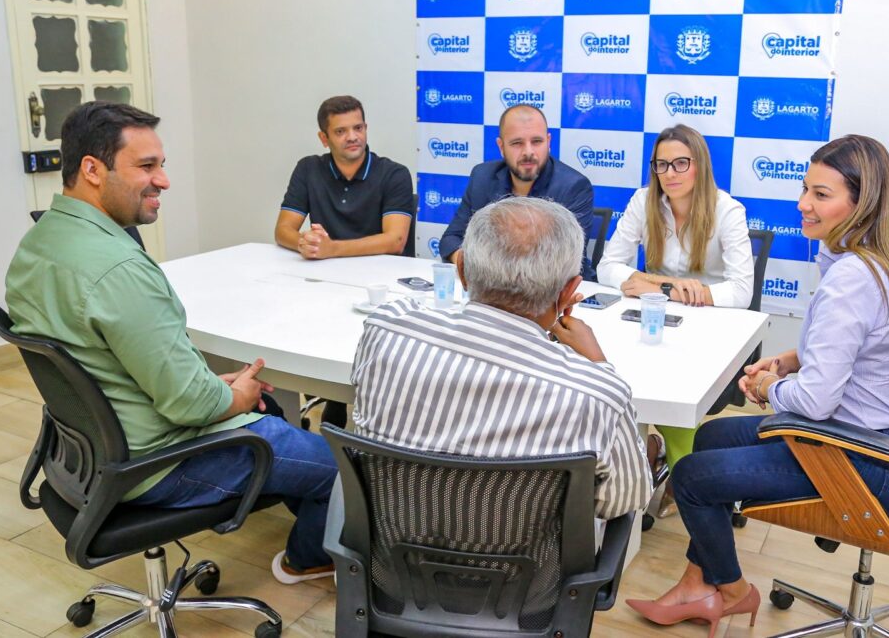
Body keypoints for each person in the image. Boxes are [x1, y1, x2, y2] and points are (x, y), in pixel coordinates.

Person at [6, 102, 339, 586]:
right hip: (159, 463)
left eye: (162, 164)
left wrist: (209, 387)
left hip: (94, 453)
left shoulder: (37, 245)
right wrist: (230, 396)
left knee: (267, 410)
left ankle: (294, 490)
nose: (163, 180)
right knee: (342, 467)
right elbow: (188, 403)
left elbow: (113, 366)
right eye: (146, 166)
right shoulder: (120, 269)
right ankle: (305, 559)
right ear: (92, 170)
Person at [625, 135, 889, 637]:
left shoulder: (849, 279)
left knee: (691, 479)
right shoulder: (866, 261)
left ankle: (729, 591)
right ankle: (695, 582)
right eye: (805, 189)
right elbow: (857, 351)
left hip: (876, 460)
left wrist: (772, 386)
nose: (802, 204)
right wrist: (790, 360)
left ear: (861, 204)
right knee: (710, 438)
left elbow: (814, 402)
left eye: (820, 195)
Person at [353, 196, 651, 519]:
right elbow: (625, 499)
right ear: (569, 292)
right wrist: (599, 367)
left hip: (393, 554)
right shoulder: (598, 393)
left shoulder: (386, 329)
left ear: (462, 270)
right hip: (529, 568)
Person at [597, 124, 753, 517]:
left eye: (681, 163)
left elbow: (741, 292)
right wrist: (667, 284)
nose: (671, 173)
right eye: (662, 164)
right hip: (652, 316)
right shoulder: (643, 200)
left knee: (670, 384)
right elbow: (607, 267)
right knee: (620, 375)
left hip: (709, 326)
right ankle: (642, 466)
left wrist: (694, 291)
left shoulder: (727, 210)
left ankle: (687, 477)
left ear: (699, 166)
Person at [275, 94, 414, 428]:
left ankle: (366, 408)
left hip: (382, 286)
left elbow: (394, 241)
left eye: (358, 127)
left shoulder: (393, 173)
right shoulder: (309, 169)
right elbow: (282, 230)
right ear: (324, 138)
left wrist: (331, 248)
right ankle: (332, 397)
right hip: (328, 280)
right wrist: (305, 243)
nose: (353, 136)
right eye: (341, 131)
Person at [438, 104, 597, 280]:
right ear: (501, 146)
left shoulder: (573, 186)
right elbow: (450, 240)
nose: (528, 152)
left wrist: (486, 266)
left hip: (555, 294)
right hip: (490, 288)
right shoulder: (482, 177)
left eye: (537, 142)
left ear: (549, 142)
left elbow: (562, 261)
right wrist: (469, 264)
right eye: (517, 143)